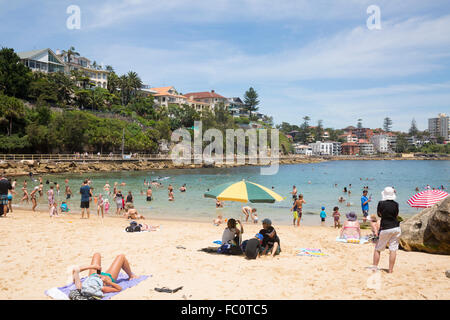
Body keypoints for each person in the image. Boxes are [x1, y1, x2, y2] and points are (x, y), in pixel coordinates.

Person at [69, 253, 138, 298]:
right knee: (121, 257)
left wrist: (92, 266)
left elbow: (75, 270)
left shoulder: (81, 288)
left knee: (96, 254)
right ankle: (131, 275)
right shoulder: (101, 289)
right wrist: (108, 282)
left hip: (93, 275)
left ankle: (95, 266)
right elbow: (119, 288)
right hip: (107, 278)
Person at [371, 187, 401, 274]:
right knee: (393, 249)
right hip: (396, 227)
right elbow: (396, 215)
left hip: (386, 227)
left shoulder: (381, 203)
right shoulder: (396, 204)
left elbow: (379, 214)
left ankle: (374, 268)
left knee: (378, 248)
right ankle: (390, 270)